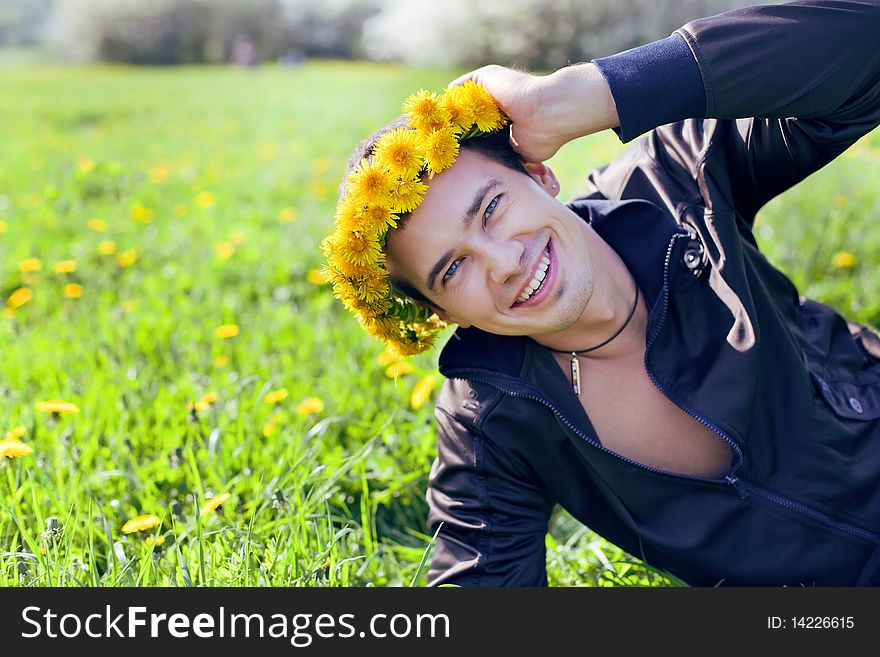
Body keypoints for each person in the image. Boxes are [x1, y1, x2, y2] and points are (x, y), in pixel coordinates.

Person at [326, 0, 880, 586]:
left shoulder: (679, 182)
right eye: (453, 269)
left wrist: (582, 95)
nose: (505, 262)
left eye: (492, 209)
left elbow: (865, 46)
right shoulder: (489, 415)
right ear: (441, 312)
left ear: (539, 175)